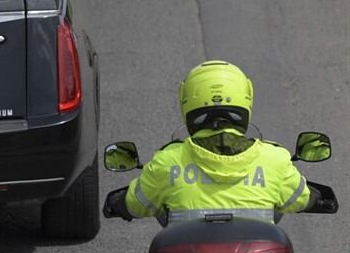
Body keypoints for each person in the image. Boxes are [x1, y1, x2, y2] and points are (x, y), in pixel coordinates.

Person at [105, 60, 324, 226]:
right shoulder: (274, 159)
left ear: (186, 102)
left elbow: (135, 204)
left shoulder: (167, 161)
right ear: (246, 98)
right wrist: (317, 197)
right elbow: (302, 198)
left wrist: (117, 203)